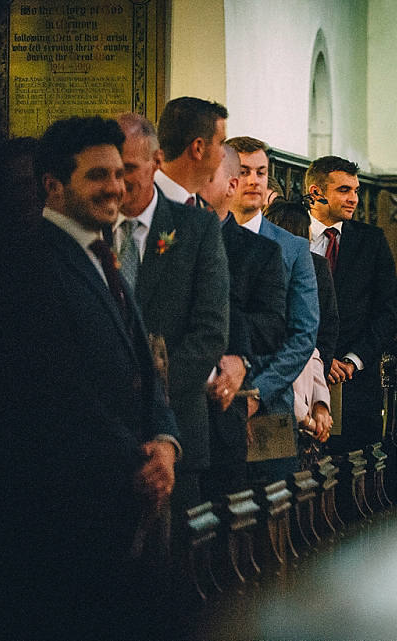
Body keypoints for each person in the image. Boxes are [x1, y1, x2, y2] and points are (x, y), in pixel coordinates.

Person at [33, 115, 181, 636]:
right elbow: (60, 383)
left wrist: (165, 439)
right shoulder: (38, 262)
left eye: (120, 173)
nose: (117, 187)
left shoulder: (101, 254)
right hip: (82, 496)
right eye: (98, 175)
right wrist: (136, 458)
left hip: (133, 485)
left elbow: (144, 362)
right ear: (54, 185)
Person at [114, 112, 229, 509]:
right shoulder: (92, 229)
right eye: (113, 168)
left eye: (129, 168)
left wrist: (147, 395)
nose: (120, 181)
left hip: (178, 430)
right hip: (105, 438)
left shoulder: (196, 228)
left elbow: (210, 332)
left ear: (157, 162)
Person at [226, 135, 319, 483]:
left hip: (272, 404)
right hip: (216, 401)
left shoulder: (292, 247)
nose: (254, 180)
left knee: (273, 508)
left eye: (261, 173)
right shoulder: (204, 235)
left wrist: (257, 393)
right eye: (245, 171)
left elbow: (303, 334)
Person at [197, 144, 287, 498]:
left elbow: (273, 326)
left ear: (229, 186)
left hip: (225, 411)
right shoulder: (173, 234)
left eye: (207, 177)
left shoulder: (259, 251)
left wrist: (235, 354)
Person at [305, 155, 397, 454]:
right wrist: (321, 358)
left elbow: (387, 313)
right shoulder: (290, 234)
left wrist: (349, 360)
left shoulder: (371, 241)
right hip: (299, 378)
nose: (354, 199)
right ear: (316, 192)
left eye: (356, 190)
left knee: (353, 478)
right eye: (344, 190)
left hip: (356, 383)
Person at [265, 198, 337, 457]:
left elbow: (313, 349)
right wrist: (305, 418)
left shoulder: (309, 275)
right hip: (276, 416)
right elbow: (271, 363)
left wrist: (321, 405)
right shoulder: (266, 283)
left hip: (305, 411)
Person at [154, 96, 228, 205]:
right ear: (198, 148)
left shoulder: (205, 210)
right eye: (221, 143)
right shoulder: (140, 202)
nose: (224, 153)